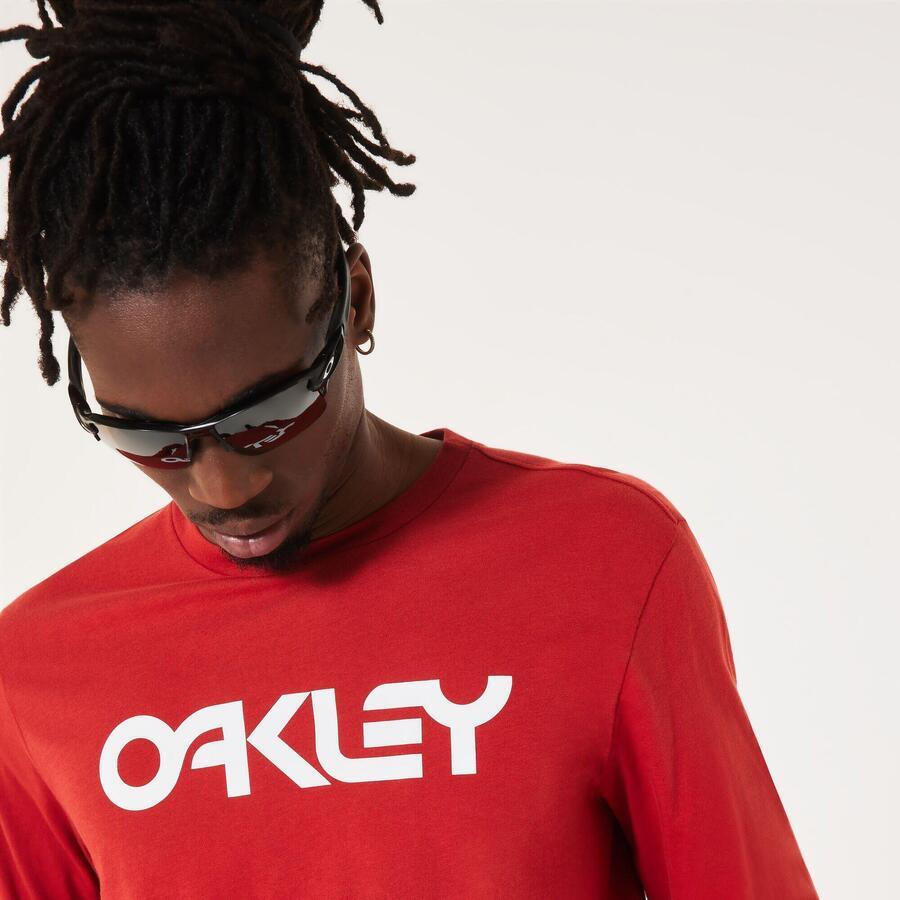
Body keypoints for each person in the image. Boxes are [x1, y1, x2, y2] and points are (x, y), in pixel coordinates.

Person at [0, 2, 820, 897]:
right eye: (150, 437)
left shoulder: (608, 562)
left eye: (269, 413)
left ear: (355, 300)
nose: (224, 486)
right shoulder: (35, 675)